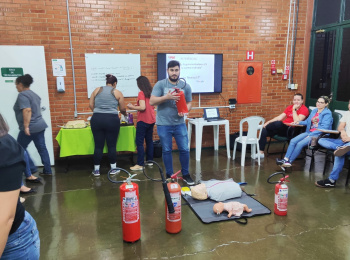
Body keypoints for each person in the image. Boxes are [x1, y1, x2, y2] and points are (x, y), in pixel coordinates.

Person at [0, 114, 40, 259]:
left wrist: (27, 126)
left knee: (24, 152)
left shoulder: (4, 147)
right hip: (30, 129)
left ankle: (27, 179)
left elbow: (27, 111)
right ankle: (26, 181)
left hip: (13, 238)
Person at [150, 60, 195, 185]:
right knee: (167, 150)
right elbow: (152, 101)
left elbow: (189, 102)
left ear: (179, 70)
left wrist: (185, 110)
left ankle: (185, 174)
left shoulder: (186, 86)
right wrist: (166, 97)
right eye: (172, 70)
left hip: (179, 123)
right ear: (167, 71)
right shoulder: (161, 85)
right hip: (164, 124)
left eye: (176, 70)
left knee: (185, 149)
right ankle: (169, 175)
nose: (174, 73)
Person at [276, 95, 333, 167]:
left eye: (321, 102)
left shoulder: (327, 113)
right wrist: (298, 122)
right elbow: (307, 122)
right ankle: (285, 159)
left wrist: (311, 135)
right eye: (318, 102)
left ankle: (289, 162)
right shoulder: (314, 110)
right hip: (309, 132)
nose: (318, 104)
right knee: (293, 140)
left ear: (326, 104)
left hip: (318, 134)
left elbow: (324, 128)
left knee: (300, 144)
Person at [13, 74, 52, 175]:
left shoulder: (22, 95)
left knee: (19, 148)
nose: (16, 86)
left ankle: (32, 168)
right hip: (40, 125)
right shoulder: (34, 94)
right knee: (42, 148)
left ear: (20, 84)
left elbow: (27, 110)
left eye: (16, 84)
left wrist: (26, 127)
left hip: (30, 127)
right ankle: (48, 170)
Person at [89, 74, 127, 176]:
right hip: (112, 120)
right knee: (111, 145)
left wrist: (97, 112)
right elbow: (123, 109)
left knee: (98, 146)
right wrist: (125, 114)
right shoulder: (117, 92)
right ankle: (113, 169)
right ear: (115, 84)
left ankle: (96, 170)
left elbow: (91, 105)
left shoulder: (96, 90)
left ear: (106, 83)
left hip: (97, 119)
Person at [252, 93, 309, 159]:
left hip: (291, 130)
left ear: (302, 101)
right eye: (294, 100)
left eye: (298, 100)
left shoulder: (304, 109)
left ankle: (260, 127)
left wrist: (294, 110)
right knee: (263, 131)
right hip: (282, 128)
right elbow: (280, 117)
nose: (296, 101)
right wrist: (268, 122)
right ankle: (261, 153)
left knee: (278, 123)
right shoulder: (289, 107)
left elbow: (297, 122)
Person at [315, 99, 350, 188]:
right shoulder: (347, 113)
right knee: (321, 140)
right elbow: (340, 127)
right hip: (343, 142)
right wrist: (343, 132)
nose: (349, 106)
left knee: (339, 154)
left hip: (348, 143)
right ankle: (339, 148)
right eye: (349, 103)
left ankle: (331, 180)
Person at [127, 76, 156, 171]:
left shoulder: (141, 93)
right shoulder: (151, 92)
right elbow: (147, 105)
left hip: (143, 120)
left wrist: (132, 107)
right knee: (149, 141)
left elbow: (143, 107)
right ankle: (150, 161)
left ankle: (140, 164)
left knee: (139, 142)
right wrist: (138, 105)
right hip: (151, 120)